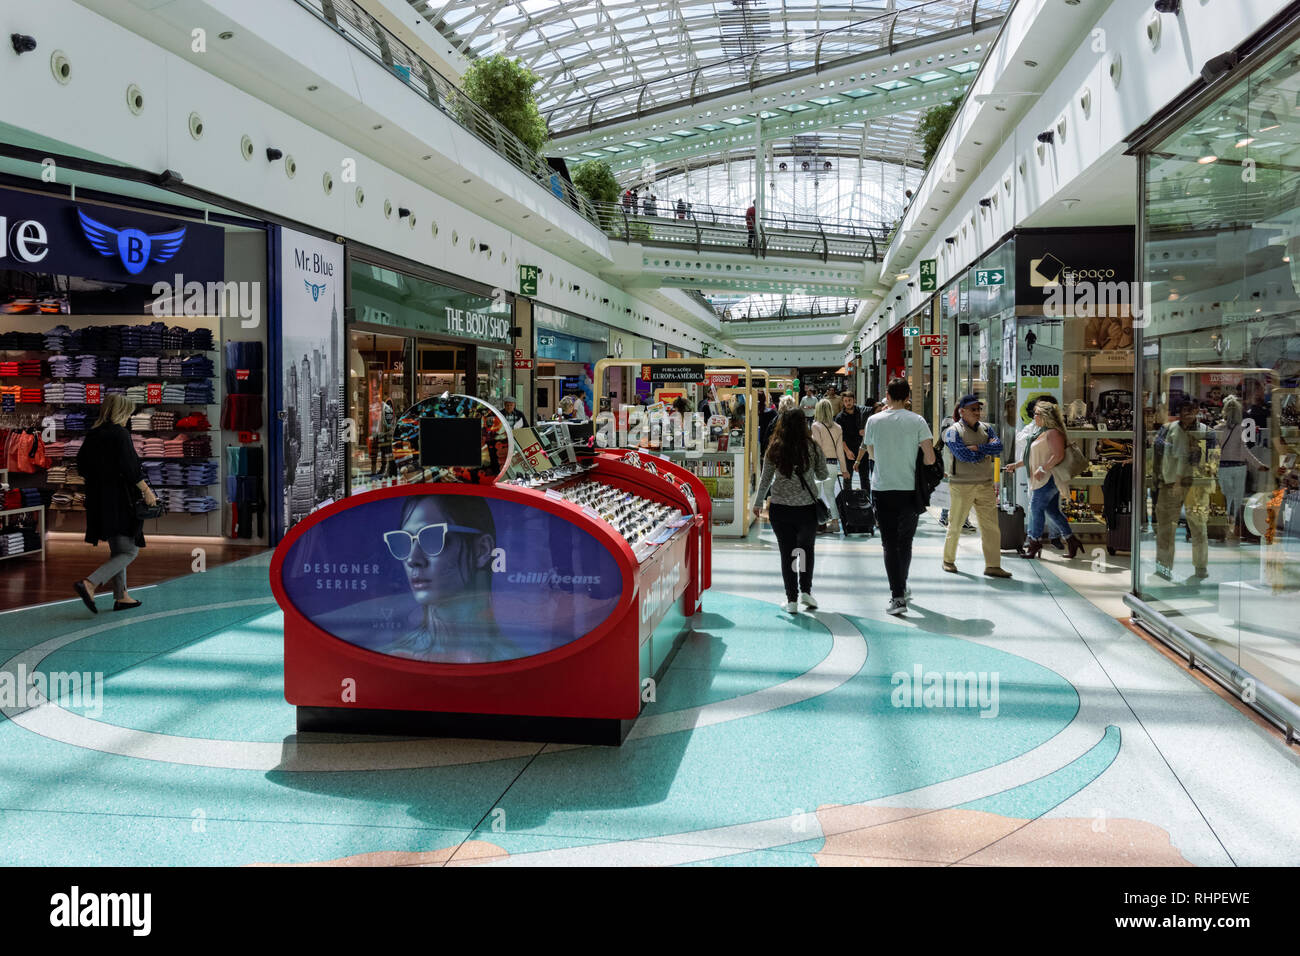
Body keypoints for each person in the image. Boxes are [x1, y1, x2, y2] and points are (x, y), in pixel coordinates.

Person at [379, 495, 524, 662]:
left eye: (432, 538)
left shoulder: (514, 659)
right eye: (403, 541)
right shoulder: (391, 656)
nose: (413, 559)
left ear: (482, 550)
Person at [73, 393, 158, 614]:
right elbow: (131, 468)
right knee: (129, 551)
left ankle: (122, 596)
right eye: (128, 412)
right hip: (120, 500)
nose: (130, 416)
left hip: (98, 499)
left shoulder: (93, 434)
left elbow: (81, 466)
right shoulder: (120, 434)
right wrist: (147, 492)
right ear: (122, 411)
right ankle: (90, 584)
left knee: (118, 549)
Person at [864, 378, 936, 615]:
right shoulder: (917, 421)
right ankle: (901, 588)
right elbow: (930, 458)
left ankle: (897, 596)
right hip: (909, 491)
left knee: (888, 543)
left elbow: (871, 454)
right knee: (905, 542)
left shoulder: (873, 420)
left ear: (887, 394)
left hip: (882, 488)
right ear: (908, 397)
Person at [753, 408, 828, 614]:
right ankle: (806, 591)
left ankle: (791, 600)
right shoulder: (811, 447)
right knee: (805, 550)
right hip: (807, 508)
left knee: (787, 554)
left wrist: (758, 502)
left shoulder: (774, 447)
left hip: (780, 508)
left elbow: (765, 478)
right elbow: (822, 474)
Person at [942, 395, 1012, 578]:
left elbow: (998, 447)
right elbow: (962, 454)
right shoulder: (952, 431)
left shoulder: (987, 429)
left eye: (979, 409)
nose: (977, 412)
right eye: (973, 409)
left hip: (985, 484)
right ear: (962, 411)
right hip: (961, 485)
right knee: (956, 524)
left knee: (991, 527)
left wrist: (978, 448)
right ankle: (948, 560)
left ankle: (993, 565)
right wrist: (983, 450)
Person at [1005, 401, 1081, 560]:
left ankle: (1034, 542)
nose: (1034, 417)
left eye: (1037, 414)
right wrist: (1017, 465)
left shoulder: (1053, 432)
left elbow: (1058, 455)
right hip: (1042, 477)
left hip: (1048, 478)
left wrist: (1043, 468)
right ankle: (1071, 540)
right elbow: (1034, 456)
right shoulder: (1041, 432)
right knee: (1052, 511)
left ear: (1045, 416)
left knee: (1035, 507)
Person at [1151, 398, 1217, 582]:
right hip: (1170, 483)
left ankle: (1201, 566)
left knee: (1198, 526)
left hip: (1197, 485)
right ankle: (1163, 567)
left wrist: (1208, 476)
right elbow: (1157, 455)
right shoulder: (1166, 430)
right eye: (1183, 409)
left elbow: (1213, 459)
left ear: (1197, 410)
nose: (1187, 412)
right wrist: (1156, 480)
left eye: (1191, 409)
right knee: (1165, 528)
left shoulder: (1207, 432)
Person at [1215, 395, 1268, 540]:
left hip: (1223, 467)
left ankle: (1224, 526)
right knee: (1238, 500)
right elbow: (1244, 451)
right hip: (1239, 467)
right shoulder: (1240, 429)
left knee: (1225, 498)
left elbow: (1214, 451)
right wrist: (1258, 465)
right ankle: (1236, 529)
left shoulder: (1217, 429)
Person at [810, 398, 847, 534]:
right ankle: (835, 523)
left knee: (817, 494)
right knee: (830, 494)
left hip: (820, 465)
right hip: (832, 465)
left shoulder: (815, 426)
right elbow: (839, 451)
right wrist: (844, 469)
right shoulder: (838, 428)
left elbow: (818, 448)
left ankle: (820, 524)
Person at [836, 392, 867, 490]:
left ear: (854, 400)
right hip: (848, 449)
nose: (848, 403)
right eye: (845, 401)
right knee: (847, 478)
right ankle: (848, 501)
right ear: (843, 402)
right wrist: (847, 451)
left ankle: (866, 501)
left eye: (849, 400)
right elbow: (840, 437)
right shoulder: (840, 417)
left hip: (863, 449)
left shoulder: (861, 412)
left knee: (865, 478)